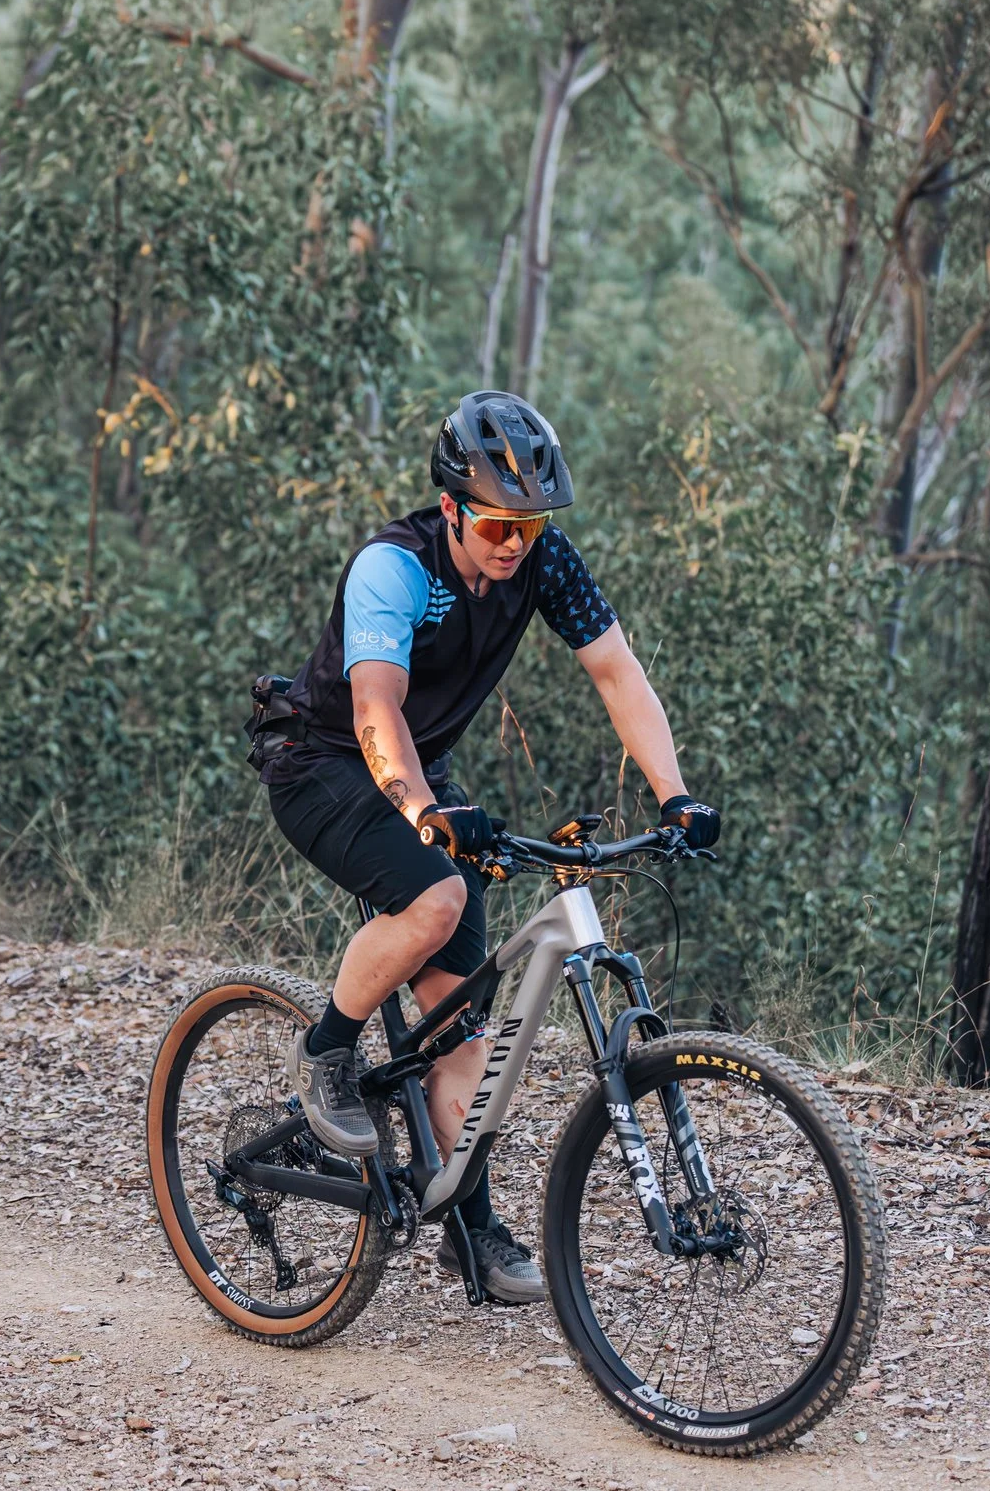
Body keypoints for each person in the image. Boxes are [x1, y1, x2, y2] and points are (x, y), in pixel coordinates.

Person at [259, 391, 720, 1304]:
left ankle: (467, 1224)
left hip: (415, 773)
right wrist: (426, 812)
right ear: (453, 508)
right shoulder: (394, 568)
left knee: (464, 1031)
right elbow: (374, 709)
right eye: (499, 525)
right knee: (436, 900)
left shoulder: (542, 562)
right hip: (319, 760)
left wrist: (675, 795)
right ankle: (327, 1055)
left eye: (531, 525)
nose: (516, 544)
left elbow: (617, 671)